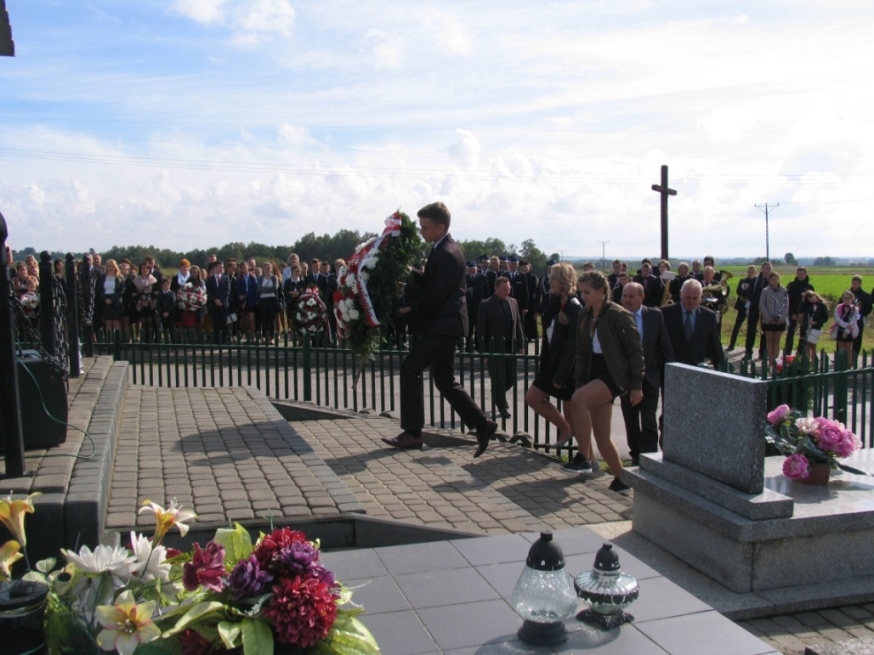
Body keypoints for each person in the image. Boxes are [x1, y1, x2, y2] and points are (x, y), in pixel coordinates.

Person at [383, 202, 497, 456]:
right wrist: (412, 272)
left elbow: (434, 295)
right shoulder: (442, 249)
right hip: (446, 323)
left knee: (410, 368)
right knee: (444, 380)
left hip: (445, 324)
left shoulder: (447, 253)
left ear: (440, 227)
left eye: (425, 227)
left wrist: (408, 283)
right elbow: (432, 286)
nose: (421, 231)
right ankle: (482, 425)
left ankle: (413, 433)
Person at [570, 270, 644, 494]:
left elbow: (635, 351)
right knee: (602, 435)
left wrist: (637, 385)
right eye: (581, 292)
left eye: (587, 292)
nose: (583, 296)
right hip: (594, 371)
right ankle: (622, 480)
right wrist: (579, 380)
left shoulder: (618, 314)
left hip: (613, 374)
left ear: (602, 291)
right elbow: (581, 351)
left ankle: (583, 457)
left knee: (577, 401)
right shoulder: (585, 314)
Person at [524, 263, 591, 465]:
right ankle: (566, 431)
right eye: (550, 277)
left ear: (563, 281)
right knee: (533, 398)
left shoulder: (574, 306)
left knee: (572, 414)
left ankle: (588, 458)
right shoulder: (554, 302)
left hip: (566, 368)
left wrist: (561, 375)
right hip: (552, 364)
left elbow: (573, 345)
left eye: (554, 278)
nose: (550, 281)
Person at [620, 282, 675, 466]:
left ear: (641, 297)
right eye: (625, 296)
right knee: (631, 419)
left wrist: (670, 372)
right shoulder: (617, 316)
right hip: (626, 378)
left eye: (631, 296)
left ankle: (650, 456)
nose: (627, 300)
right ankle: (636, 454)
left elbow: (664, 344)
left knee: (649, 418)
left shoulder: (654, 315)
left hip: (650, 376)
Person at [477, 276, 525, 420]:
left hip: (511, 346)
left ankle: (497, 393)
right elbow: (481, 330)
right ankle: (502, 407)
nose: (507, 292)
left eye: (508, 289)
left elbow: (518, 324)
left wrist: (521, 344)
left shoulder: (513, 302)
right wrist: (484, 351)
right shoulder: (486, 305)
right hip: (494, 348)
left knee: (511, 378)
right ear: (496, 289)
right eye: (504, 289)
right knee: (498, 379)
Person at [662, 279, 726, 368]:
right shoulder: (665, 313)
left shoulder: (708, 316)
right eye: (688, 297)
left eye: (695, 298)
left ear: (701, 297)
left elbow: (715, 347)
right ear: (680, 294)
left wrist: (721, 370)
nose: (691, 301)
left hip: (696, 369)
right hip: (670, 368)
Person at [759, 272, 789, 367]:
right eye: (772, 280)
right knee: (769, 341)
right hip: (768, 321)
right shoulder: (765, 291)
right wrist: (769, 319)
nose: (774, 281)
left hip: (779, 321)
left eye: (776, 279)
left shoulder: (784, 291)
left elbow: (786, 305)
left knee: (776, 341)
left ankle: (775, 361)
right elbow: (762, 305)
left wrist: (781, 319)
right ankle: (770, 362)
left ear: (778, 279)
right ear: (769, 280)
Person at [785, 266, 814, 356]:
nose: (800, 276)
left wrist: (803, 313)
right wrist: (792, 313)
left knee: (803, 334)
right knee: (790, 333)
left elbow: (812, 302)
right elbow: (787, 300)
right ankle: (787, 353)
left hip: (804, 314)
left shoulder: (809, 287)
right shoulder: (791, 285)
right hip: (792, 313)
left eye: (802, 274)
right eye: (799, 274)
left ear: (805, 274)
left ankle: (800, 352)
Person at [728, 265, 757, 351]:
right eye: (749, 271)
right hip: (742, 306)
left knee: (751, 327)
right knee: (737, 325)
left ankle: (749, 347)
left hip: (752, 307)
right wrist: (747, 294)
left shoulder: (757, 282)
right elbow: (738, 291)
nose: (750, 273)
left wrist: (747, 293)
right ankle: (731, 345)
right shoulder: (743, 281)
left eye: (752, 272)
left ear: (755, 272)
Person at [97, 258, 125, 333]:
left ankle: (117, 339)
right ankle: (109, 339)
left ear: (115, 267)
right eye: (109, 266)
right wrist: (105, 299)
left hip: (116, 301)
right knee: (108, 321)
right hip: (105, 301)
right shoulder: (102, 277)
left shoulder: (119, 277)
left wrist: (112, 299)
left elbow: (122, 290)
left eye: (112, 266)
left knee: (116, 321)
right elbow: (99, 290)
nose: (110, 268)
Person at [206, 260, 231, 344]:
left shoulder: (226, 278)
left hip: (223, 304)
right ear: (214, 268)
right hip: (214, 304)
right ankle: (216, 340)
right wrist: (215, 300)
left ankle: (224, 339)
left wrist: (221, 300)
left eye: (222, 267)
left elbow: (227, 291)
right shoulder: (210, 280)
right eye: (219, 267)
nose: (221, 268)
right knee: (216, 322)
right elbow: (209, 292)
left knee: (224, 322)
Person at [833, 290, 861, 366]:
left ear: (852, 299)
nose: (846, 300)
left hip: (849, 330)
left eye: (848, 298)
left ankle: (848, 365)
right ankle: (841, 365)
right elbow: (837, 318)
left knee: (848, 349)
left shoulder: (855, 309)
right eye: (844, 298)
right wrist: (845, 325)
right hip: (840, 329)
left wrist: (846, 331)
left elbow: (853, 320)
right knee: (841, 349)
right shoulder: (839, 307)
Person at [798, 291, 828, 361]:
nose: (811, 299)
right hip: (806, 327)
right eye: (809, 299)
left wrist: (816, 322)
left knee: (813, 344)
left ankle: (814, 361)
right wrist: (803, 300)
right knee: (806, 344)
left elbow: (825, 318)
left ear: (815, 295)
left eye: (812, 297)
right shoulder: (807, 305)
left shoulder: (822, 305)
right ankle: (807, 361)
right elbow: (800, 310)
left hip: (816, 327)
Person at [257, 261, 280, 345]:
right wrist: (268, 290)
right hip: (263, 300)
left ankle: (272, 337)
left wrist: (265, 290)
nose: (267, 270)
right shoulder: (260, 278)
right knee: (264, 319)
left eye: (269, 268)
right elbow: (259, 288)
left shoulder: (274, 277)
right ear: (263, 269)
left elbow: (275, 287)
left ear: (271, 269)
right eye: (266, 268)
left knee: (272, 319)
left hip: (272, 300)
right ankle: (264, 336)